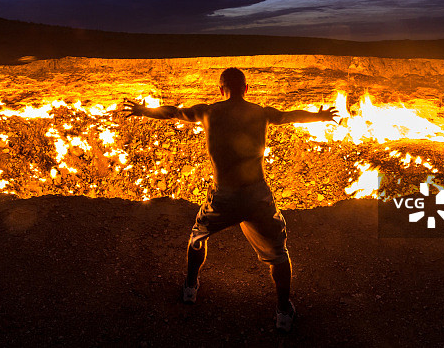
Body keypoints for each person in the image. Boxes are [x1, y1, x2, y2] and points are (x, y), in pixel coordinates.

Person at [122, 67, 338, 333]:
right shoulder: (260, 112)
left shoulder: (208, 111)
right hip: (257, 195)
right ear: (246, 89)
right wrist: (321, 116)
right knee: (279, 256)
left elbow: (174, 112)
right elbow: (288, 117)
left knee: (197, 237)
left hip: (223, 195)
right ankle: (283, 312)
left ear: (221, 89)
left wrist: (144, 111)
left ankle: (190, 287)